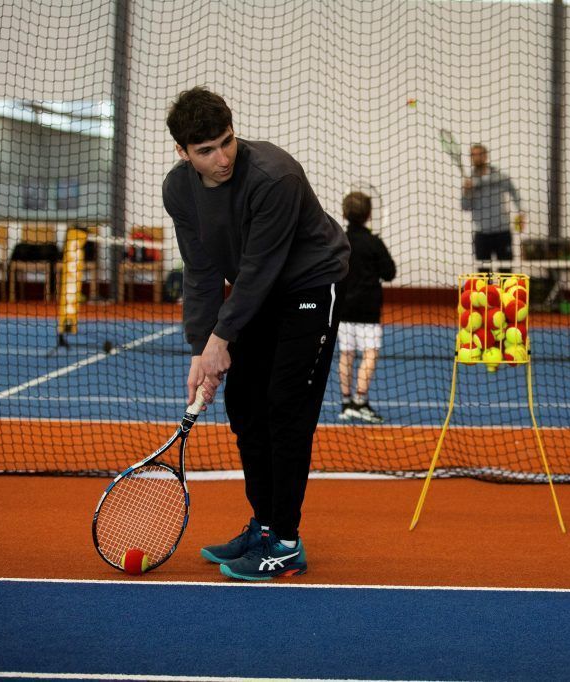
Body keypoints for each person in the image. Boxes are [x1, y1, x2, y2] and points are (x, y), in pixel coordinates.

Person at [162, 86, 350, 581]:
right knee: (245, 408)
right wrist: (203, 349)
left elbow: (259, 270)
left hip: (309, 286)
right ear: (183, 153)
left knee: (286, 410)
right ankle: (264, 526)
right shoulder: (178, 190)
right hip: (257, 294)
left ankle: (286, 543)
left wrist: (221, 343)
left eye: (227, 141)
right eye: (205, 151)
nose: (222, 158)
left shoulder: (274, 176)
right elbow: (202, 271)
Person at [336, 190, 396, 423]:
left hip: (343, 309)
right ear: (369, 215)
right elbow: (389, 273)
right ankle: (360, 401)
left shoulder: (338, 239)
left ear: (344, 213)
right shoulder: (374, 242)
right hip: (368, 309)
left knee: (346, 354)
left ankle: (346, 402)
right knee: (369, 353)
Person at [460, 143, 524, 269]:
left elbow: (514, 193)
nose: (476, 158)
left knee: (506, 272)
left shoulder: (500, 177)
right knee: (484, 274)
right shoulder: (469, 182)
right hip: (482, 235)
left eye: (479, 154)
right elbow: (465, 207)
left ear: (485, 156)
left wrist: (521, 212)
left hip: (503, 233)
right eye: (473, 155)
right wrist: (466, 192)